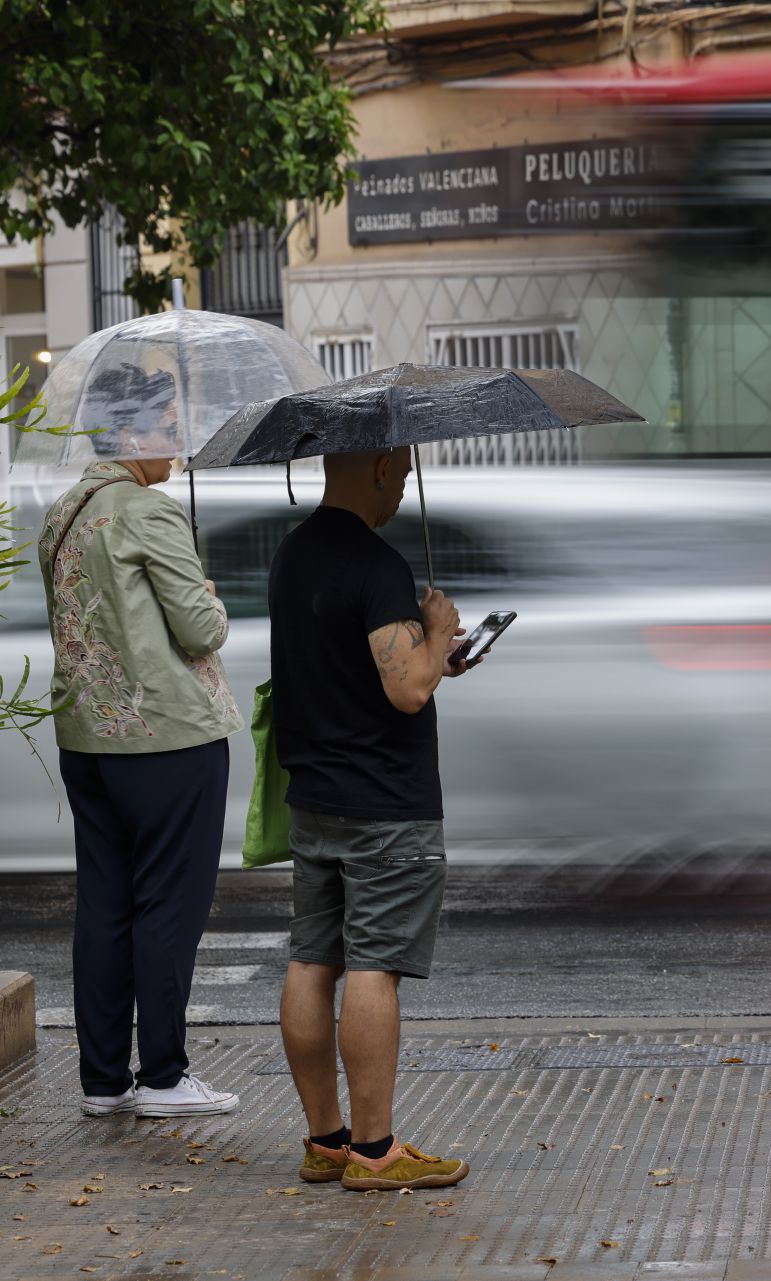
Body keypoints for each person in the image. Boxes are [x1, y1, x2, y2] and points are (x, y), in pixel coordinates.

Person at [36, 368, 243, 1119]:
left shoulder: (64, 512)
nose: (176, 439)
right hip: (168, 740)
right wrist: (211, 599)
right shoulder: (149, 513)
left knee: (106, 904)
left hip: (88, 740)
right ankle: (162, 1075)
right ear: (127, 434)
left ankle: (102, 1079)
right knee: (168, 906)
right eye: (165, 425)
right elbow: (201, 630)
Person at [269, 446, 477, 1192]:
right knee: (372, 966)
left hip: (315, 797)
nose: (408, 485)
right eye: (408, 471)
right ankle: (377, 1150)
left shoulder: (292, 553)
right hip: (385, 804)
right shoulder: (377, 564)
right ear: (383, 465)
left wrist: (428, 655)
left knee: (311, 958)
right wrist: (438, 629)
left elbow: (345, 663)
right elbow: (406, 692)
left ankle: (326, 1141)